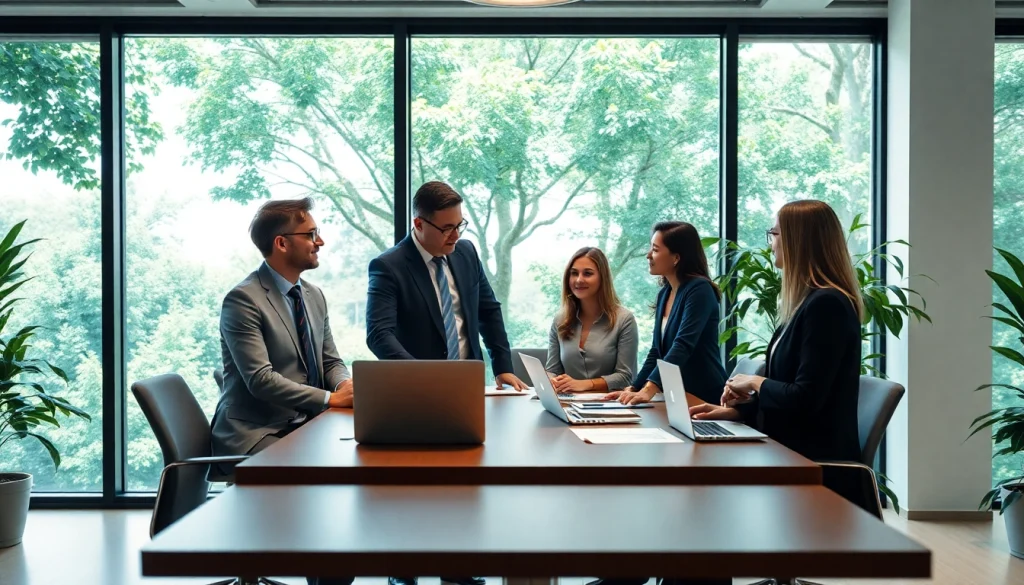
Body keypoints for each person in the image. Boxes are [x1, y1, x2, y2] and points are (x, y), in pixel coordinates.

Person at [366, 180, 527, 585]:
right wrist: (425, 379)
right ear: (419, 224)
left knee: (466, 484)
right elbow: (379, 334)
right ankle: (406, 569)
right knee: (418, 489)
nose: (456, 235)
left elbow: (489, 310)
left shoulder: (467, 253)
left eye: (461, 225)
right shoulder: (388, 266)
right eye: (447, 228)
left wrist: (503, 364)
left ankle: (463, 569)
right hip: (417, 397)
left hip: (468, 389)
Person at [209, 197, 353, 585]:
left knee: (355, 477)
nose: (319, 242)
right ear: (282, 243)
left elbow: (330, 360)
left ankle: (332, 568)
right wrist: (328, 399)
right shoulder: (242, 300)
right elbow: (260, 379)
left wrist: (342, 383)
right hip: (255, 432)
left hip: (303, 427)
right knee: (325, 496)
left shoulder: (314, 295)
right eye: (312, 234)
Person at [691, 199, 864, 503]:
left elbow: (806, 398)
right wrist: (736, 411)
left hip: (814, 467)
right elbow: (787, 388)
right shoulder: (805, 304)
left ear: (797, 240)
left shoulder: (827, 306)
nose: (771, 245)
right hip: (788, 451)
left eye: (774, 235)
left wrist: (755, 382)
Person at [604, 221, 726, 406]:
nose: (648, 255)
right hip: (677, 397)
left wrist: (649, 389)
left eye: (655, 250)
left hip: (703, 397)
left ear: (676, 258)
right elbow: (656, 352)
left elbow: (682, 346)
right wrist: (634, 388)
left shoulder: (699, 290)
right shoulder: (665, 293)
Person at [545, 247, 638, 393]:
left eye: (587, 273)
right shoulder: (560, 319)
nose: (579, 280)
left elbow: (626, 376)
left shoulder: (624, 319)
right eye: (574, 273)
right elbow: (552, 370)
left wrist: (586, 384)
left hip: (611, 406)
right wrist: (550, 380)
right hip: (568, 404)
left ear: (603, 278)